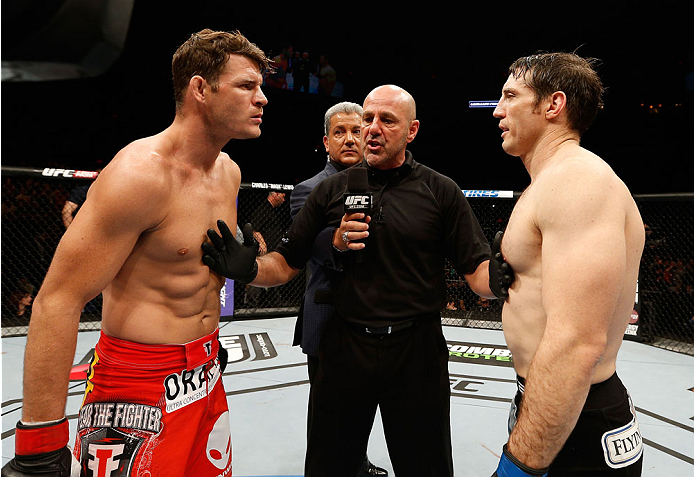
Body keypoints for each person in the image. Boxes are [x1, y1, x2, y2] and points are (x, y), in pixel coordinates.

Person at [202, 85, 512, 476]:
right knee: (328, 464)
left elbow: (476, 270)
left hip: (415, 349)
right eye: (367, 119)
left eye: (386, 120)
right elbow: (287, 263)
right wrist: (249, 269)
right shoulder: (331, 189)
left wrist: (498, 281)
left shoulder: (440, 191)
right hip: (345, 344)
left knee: (425, 464)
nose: (372, 129)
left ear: (411, 131)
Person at [1, 29, 269, 477]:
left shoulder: (229, 172)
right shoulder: (140, 175)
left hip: (205, 375)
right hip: (133, 385)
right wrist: (39, 441)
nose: (262, 99)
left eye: (260, 87)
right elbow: (58, 299)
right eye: (247, 86)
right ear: (200, 89)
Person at [490, 52, 645, 476]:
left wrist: (520, 466)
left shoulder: (578, 181)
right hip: (550, 400)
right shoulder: (548, 183)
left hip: (577, 413)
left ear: (553, 105)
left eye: (510, 95)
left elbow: (577, 343)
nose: (498, 110)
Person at [289, 101, 387, 476]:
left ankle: (357, 462)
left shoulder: (384, 185)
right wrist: (337, 240)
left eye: (356, 131)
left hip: (376, 312)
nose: (350, 139)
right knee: (328, 407)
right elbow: (306, 247)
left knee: (365, 402)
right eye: (340, 132)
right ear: (326, 142)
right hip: (329, 313)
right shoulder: (308, 189)